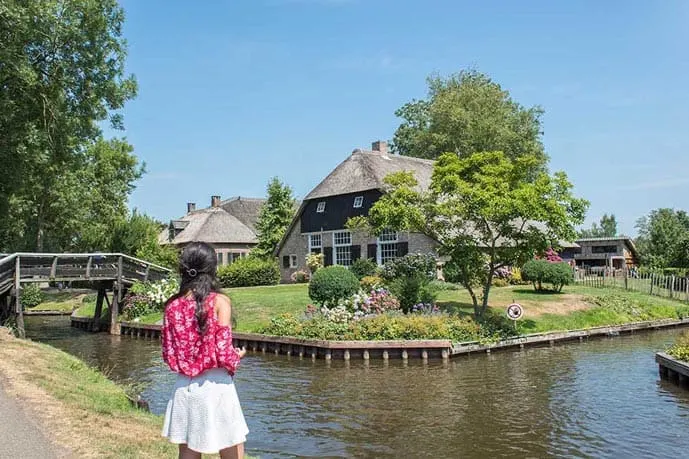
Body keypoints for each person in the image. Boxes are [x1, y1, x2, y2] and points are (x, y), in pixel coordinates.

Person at [161, 242, 249, 459]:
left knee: (188, 451)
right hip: (216, 386)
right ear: (212, 269)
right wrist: (236, 357)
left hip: (184, 387)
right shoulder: (220, 301)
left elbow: (168, 352)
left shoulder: (172, 306)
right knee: (231, 446)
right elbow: (223, 350)